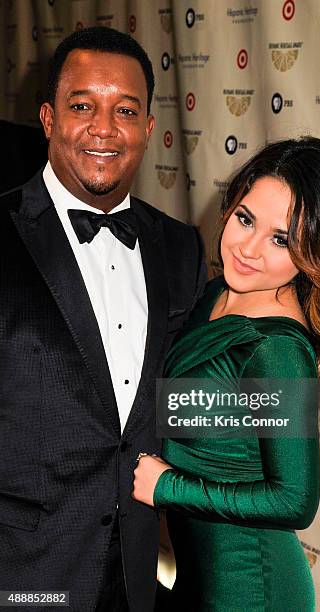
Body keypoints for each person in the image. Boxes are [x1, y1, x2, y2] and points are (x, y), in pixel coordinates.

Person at [133, 137, 320, 611]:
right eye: (246, 219)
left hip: (253, 592)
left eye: (281, 239)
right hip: (198, 581)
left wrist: (167, 486)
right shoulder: (216, 294)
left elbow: (295, 500)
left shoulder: (274, 348)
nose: (249, 249)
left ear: (311, 253)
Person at [0, 26, 205, 612]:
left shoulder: (180, 248)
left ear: (147, 128)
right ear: (47, 117)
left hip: (136, 575)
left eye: (125, 110)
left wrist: (296, 403)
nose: (103, 128)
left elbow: (183, 395)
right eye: (82, 106)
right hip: (24, 576)